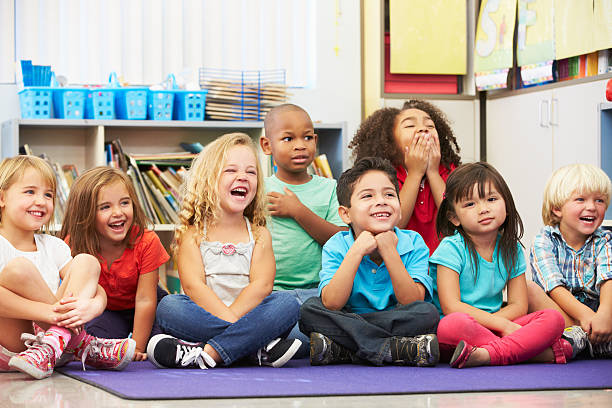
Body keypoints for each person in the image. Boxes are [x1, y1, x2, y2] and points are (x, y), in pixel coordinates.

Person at [147, 133, 301, 369]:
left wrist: (237, 318)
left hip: (251, 316)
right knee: (169, 307)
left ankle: (206, 352)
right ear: (209, 180)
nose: (243, 177)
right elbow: (193, 287)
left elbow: (261, 286)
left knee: (287, 303)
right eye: (231, 171)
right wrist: (234, 323)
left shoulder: (259, 235)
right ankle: (254, 348)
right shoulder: (193, 234)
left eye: (251, 172)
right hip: (206, 319)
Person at [0, 155, 135, 379]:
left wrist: (95, 306)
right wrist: (50, 313)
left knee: (87, 261)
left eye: (48, 194)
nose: (41, 201)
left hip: (53, 342)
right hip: (13, 344)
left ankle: (56, 342)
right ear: (2, 198)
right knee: (19, 270)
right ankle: (79, 343)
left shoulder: (53, 246)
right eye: (30, 192)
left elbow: (93, 284)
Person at [430, 162, 574, 368]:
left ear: (506, 204)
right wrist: (502, 325)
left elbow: (518, 305)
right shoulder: (450, 248)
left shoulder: (512, 249)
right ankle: (531, 354)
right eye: (470, 204)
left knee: (553, 319)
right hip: (463, 330)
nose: (484, 209)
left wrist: (498, 324)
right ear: (454, 218)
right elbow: (451, 307)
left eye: (491, 199)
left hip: (498, 326)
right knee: (452, 324)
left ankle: (488, 355)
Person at [299, 157, 440, 367]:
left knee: (427, 314)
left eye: (389, 195)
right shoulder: (336, 245)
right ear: (345, 214)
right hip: (350, 316)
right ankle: (392, 348)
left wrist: (390, 251)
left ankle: (345, 349)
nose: (381, 201)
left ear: (400, 208)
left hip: (393, 318)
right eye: (367, 196)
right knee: (310, 311)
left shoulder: (414, 242)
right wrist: (356, 251)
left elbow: (412, 301)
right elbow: (332, 303)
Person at [260, 103, 347, 357]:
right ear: (267, 146)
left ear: (316, 141)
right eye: (288, 138)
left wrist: (298, 211)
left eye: (307, 137)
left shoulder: (331, 188)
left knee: (314, 330)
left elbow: (340, 239)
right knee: (269, 324)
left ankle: (281, 345)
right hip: (271, 293)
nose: (300, 145)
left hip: (318, 293)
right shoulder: (258, 188)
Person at [59, 167, 170, 361]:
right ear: (85, 214)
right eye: (105, 207)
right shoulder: (73, 245)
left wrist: (137, 346)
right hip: (107, 308)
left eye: (124, 203)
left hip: (148, 304)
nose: (118, 213)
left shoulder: (147, 241)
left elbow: (145, 300)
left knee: (159, 343)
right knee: (95, 339)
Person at [350, 100, 461, 254]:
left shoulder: (449, 171)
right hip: (403, 262)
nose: (423, 129)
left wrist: (433, 172)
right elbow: (394, 223)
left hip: (444, 261)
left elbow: (457, 219)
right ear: (390, 142)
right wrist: (415, 173)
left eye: (430, 126)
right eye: (410, 126)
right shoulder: (384, 177)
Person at [528, 164, 612, 359]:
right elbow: (554, 287)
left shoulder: (604, 239)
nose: (591, 206)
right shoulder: (544, 240)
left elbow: (608, 278)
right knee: (528, 289)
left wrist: (605, 315)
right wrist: (586, 317)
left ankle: (583, 341)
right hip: (566, 317)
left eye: (599, 200)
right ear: (557, 209)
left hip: (601, 317)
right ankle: (584, 338)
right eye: (580, 199)